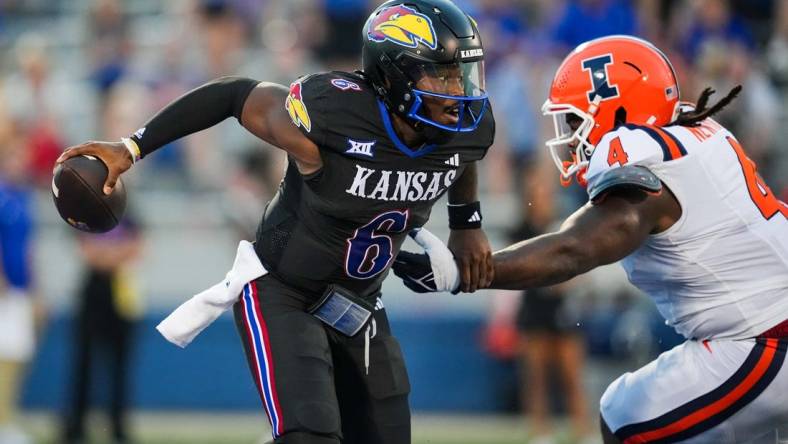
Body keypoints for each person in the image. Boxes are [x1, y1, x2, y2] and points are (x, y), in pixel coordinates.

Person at [56, 1, 496, 443]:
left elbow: (462, 155)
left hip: (359, 302)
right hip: (285, 291)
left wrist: (466, 223)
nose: (458, 90)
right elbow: (234, 96)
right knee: (310, 435)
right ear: (395, 74)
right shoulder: (335, 117)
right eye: (441, 74)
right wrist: (131, 148)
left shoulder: (462, 125)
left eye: (461, 73)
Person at [393, 35, 788, 443]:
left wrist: (466, 271)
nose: (570, 133)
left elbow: (575, 249)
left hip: (761, 339)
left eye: (576, 119)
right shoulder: (695, 132)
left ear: (618, 110)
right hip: (764, 329)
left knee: (625, 413)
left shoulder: (640, 153)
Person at [62, 216, 143, 444]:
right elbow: (88, 253)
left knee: (121, 367)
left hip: (122, 296)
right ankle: (75, 427)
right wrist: (116, 254)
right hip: (93, 295)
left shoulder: (131, 216)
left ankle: (118, 428)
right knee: (83, 366)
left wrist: (105, 254)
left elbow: (138, 249)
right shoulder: (86, 210)